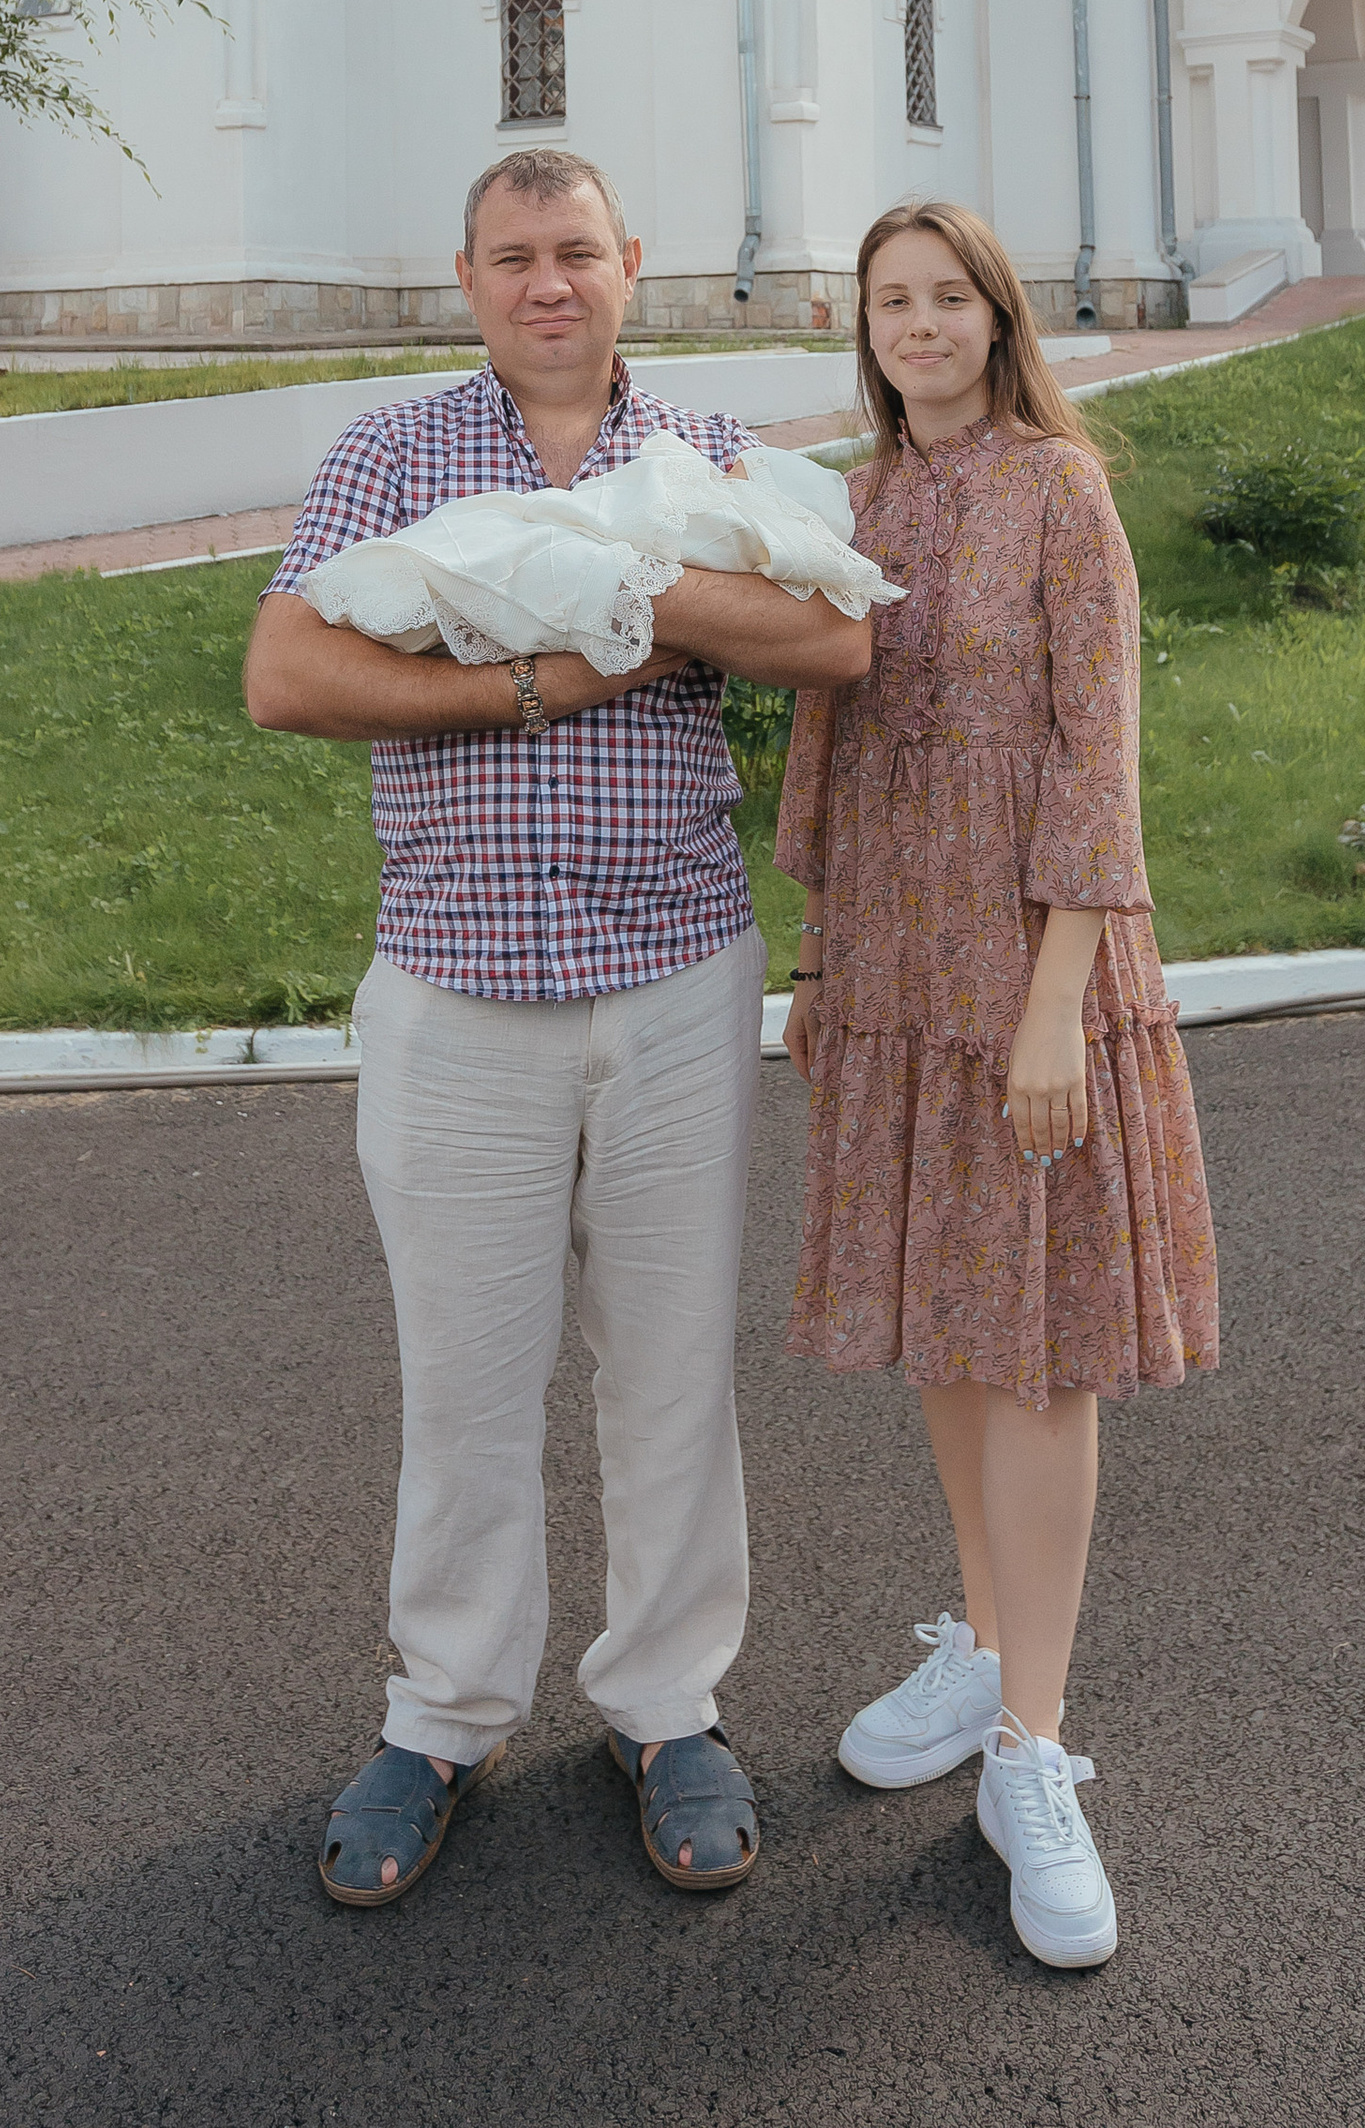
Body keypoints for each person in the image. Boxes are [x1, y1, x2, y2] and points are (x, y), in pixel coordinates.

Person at [247, 147, 872, 1909]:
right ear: (467, 278)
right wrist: (545, 674)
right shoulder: (390, 457)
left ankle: (667, 1708)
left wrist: (628, 574)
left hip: (673, 979)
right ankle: (443, 1716)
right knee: (465, 1381)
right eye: (515, 255)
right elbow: (286, 674)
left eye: (576, 252)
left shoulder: (705, 455)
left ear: (629, 265)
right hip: (456, 992)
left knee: (671, 1373)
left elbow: (833, 639)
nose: (548, 283)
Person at [778, 201, 1218, 1970]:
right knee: (953, 1323)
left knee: (1038, 1346)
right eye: (892, 301)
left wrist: (1055, 1008)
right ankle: (980, 1648)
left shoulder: (1060, 492)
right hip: (895, 966)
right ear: (866, 330)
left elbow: (1098, 756)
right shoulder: (859, 502)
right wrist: (823, 958)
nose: (920, 325)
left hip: (1035, 965)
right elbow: (830, 744)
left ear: (999, 316)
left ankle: (1034, 1746)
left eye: (948, 296)